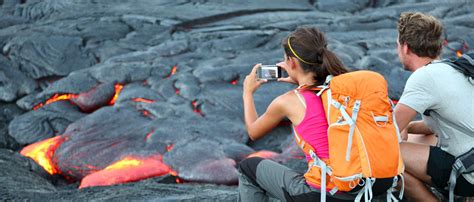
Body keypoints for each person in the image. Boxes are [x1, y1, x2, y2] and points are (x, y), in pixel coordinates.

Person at [239, 26, 395, 201]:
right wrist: (297, 77)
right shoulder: (344, 91)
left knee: (248, 167)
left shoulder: (287, 102)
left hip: (323, 194)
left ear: (291, 63)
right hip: (362, 186)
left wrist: (248, 92)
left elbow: (253, 131)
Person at [394, 12, 474, 202]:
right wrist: (409, 127)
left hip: (468, 174)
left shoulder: (423, 78)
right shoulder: (450, 68)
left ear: (405, 47)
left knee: (382, 155)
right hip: (470, 158)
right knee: (414, 137)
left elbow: (389, 128)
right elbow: (437, 125)